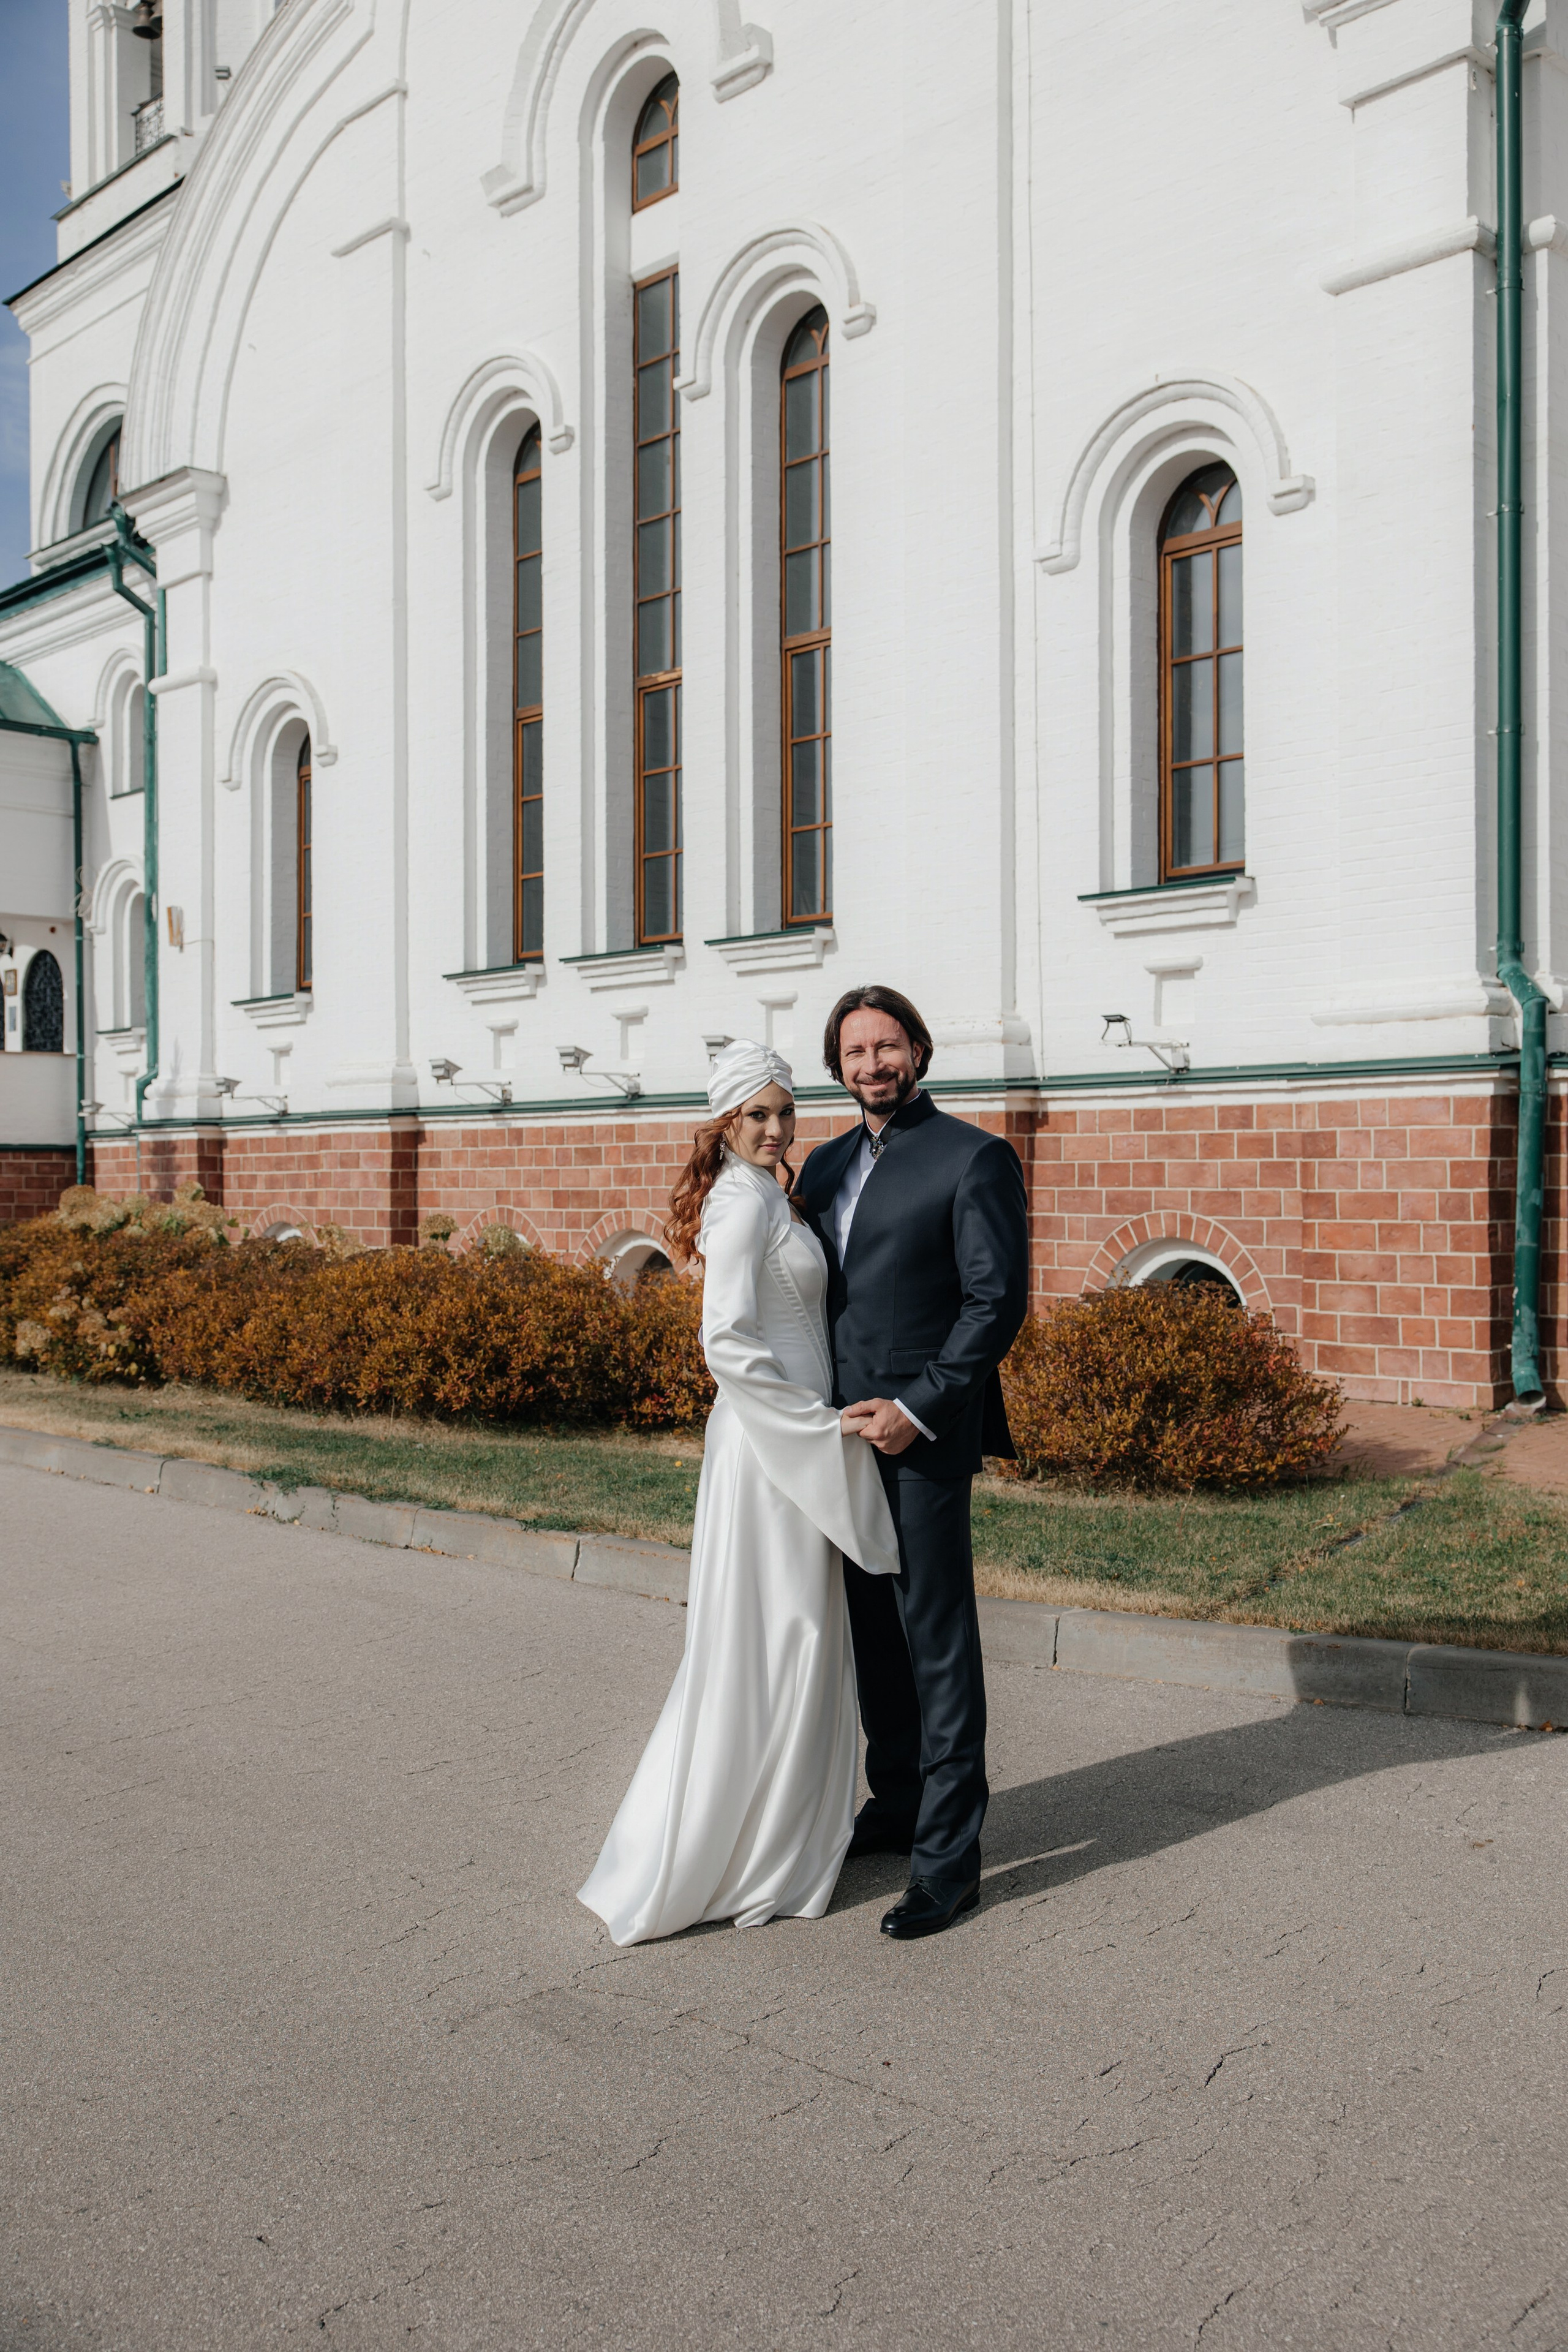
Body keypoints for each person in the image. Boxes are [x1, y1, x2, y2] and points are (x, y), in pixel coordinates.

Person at [578, 1040, 899, 1946]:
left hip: (788, 1434)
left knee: (794, 1629)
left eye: (785, 1112)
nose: (776, 1128)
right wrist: (813, 1422)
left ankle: (784, 1830)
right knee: (780, 1631)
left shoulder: (767, 1194)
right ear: (724, 1123)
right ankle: (746, 1847)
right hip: (771, 1445)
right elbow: (725, 1340)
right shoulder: (733, 1200)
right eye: (756, 1115)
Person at [796, 987, 1030, 1940]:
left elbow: (995, 1303)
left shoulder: (973, 1157)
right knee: (872, 1635)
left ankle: (947, 1863)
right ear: (838, 1067)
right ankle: (894, 1805)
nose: (872, 1065)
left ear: (921, 1052)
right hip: (836, 1435)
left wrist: (920, 1409)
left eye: (887, 1046)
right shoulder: (823, 1160)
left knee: (934, 1641)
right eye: (854, 1052)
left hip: (921, 1437)